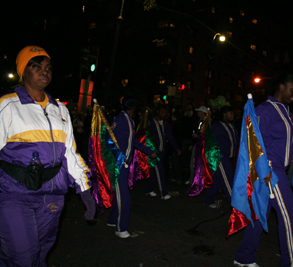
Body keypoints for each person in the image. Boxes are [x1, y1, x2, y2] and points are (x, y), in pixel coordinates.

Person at [0, 46, 95, 266]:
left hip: (52, 197)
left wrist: (85, 189)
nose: (45, 71)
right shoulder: (7, 105)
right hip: (14, 195)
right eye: (37, 66)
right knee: (23, 257)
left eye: (48, 68)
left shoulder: (60, 110)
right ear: (24, 71)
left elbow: (70, 153)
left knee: (40, 254)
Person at [234, 73, 293, 267]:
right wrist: (264, 171)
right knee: (290, 219)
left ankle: (244, 258)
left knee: (260, 216)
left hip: (278, 171)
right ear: (282, 87)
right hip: (270, 172)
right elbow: (254, 142)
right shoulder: (265, 110)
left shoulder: (285, 111)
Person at [107, 96, 156, 238]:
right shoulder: (121, 119)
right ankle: (121, 228)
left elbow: (133, 141)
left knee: (120, 193)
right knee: (124, 195)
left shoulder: (129, 120)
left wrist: (150, 152)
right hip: (119, 163)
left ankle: (112, 220)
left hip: (124, 162)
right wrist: (118, 158)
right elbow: (109, 138)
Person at [204, 106, 239, 208]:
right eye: (230, 113)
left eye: (233, 113)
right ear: (224, 114)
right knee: (228, 180)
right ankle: (236, 206)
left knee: (218, 181)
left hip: (229, 157)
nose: (232, 115)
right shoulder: (217, 126)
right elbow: (210, 140)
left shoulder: (232, 126)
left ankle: (208, 200)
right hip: (221, 157)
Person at [144, 104, 181, 199]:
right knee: (160, 171)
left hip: (162, 151)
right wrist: (150, 150)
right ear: (158, 112)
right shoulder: (151, 123)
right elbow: (147, 137)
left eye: (165, 112)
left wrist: (177, 148)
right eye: (162, 112)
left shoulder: (165, 123)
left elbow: (170, 136)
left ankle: (148, 189)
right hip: (154, 152)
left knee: (154, 172)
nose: (164, 114)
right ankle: (163, 193)